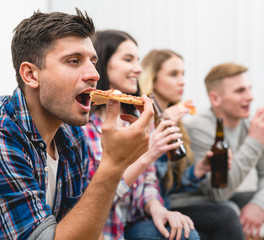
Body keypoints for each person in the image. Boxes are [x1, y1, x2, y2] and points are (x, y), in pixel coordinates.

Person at [0, 10, 155, 240]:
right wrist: (113, 164)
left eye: (93, 62)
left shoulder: (70, 136)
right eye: (74, 61)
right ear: (31, 75)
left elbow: (85, 226)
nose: (93, 75)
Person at [83, 30, 200, 240]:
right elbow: (95, 201)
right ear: (102, 63)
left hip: (134, 220)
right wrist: (150, 153)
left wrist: (157, 208)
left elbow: (148, 181)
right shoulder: (84, 125)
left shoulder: (135, 115)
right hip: (108, 227)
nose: (138, 69)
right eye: (128, 60)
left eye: (138, 60)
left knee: (186, 229)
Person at [138, 49, 245, 240]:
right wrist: (160, 129)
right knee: (226, 213)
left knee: (229, 209)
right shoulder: (141, 119)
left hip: (166, 203)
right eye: (173, 74)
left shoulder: (176, 118)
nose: (182, 81)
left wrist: (200, 169)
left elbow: (170, 184)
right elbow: (146, 176)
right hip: (146, 210)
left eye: (183, 74)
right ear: (152, 79)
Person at [184, 62, 264, 240]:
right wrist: (254, 142)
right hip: (195, 203)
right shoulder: (199, 127)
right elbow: (218, 194)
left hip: (223, 199)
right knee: (229, 211)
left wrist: (259, 205)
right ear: (215, 99)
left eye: (249, 89)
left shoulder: (250, 126)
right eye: (240, 91)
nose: (250, 97)